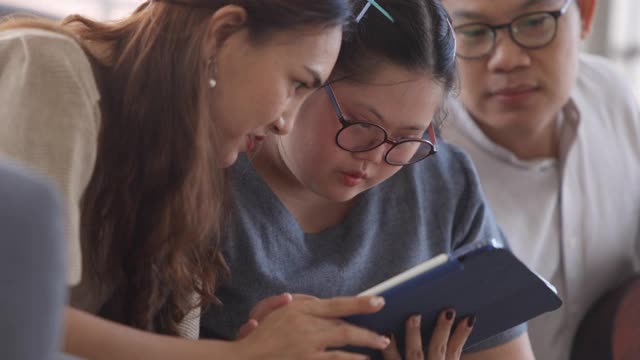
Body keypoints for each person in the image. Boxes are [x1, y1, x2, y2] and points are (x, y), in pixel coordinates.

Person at [0, 1, 394, 359]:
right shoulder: (48, 68)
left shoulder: (190, 164)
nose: (284, 124)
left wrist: (259, 348)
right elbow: (18, 317)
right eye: (296, 85)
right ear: (221, 34)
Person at [200, 0, 537, 358]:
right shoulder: (207, 178)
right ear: (307, 76)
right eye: (361, 124)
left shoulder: (444, 184)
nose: (376, 156)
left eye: (409, 135)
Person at [439, 0, 640, 359]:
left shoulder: (613, 97)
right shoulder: (416, 160)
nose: (506, 59)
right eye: (473, 32)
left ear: (586, 15)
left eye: (534, 23)